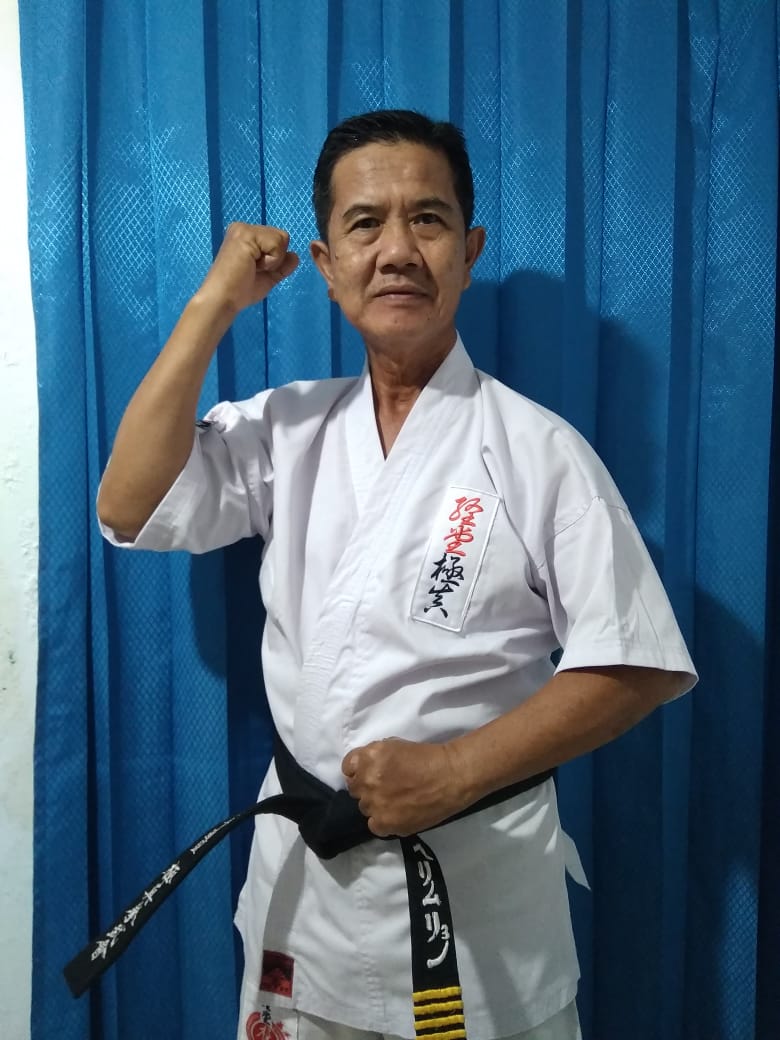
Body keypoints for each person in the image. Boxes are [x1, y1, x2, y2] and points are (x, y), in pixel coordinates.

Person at [96, 110, 696, 1040]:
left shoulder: (539, 452)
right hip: (305, 899)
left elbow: (637, 663)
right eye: (364, 224)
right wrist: (213, 302)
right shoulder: (289, 428)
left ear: (469, 251)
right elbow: (129, 504)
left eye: (429, 219)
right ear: (327, 264)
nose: (398, 251)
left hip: (480, 911)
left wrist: (455, 769)